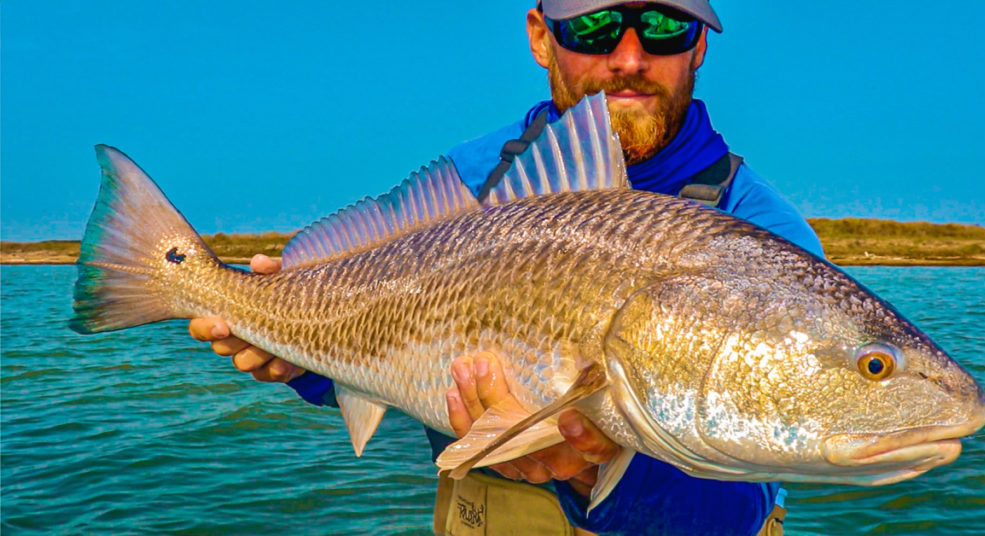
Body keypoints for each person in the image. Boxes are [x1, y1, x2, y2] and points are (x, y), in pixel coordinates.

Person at [189, 1, 823, 534]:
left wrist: (590, 468)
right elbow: (402, 350)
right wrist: (298, 354)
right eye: (594, 27)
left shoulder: (767, 238)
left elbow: (744, 505)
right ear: (542, 37)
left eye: (663, 27)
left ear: (699, 46)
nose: (629, 58)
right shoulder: (474, 181)